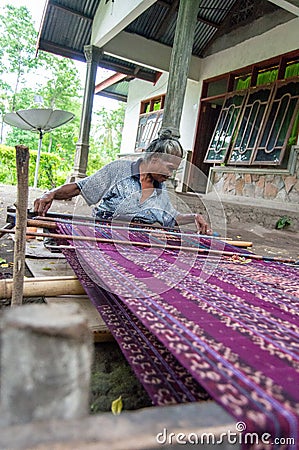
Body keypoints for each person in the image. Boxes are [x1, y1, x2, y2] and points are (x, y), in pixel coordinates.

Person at [34, 130, 211, 234]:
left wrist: (194, 217)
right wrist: (52, 193)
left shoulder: (160, 188)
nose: (171, 175)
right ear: (155, 159)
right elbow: (80, 187)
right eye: (170, 168)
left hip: (136, 241)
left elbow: (170, 218)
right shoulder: (119, 169)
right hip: (103, 235)